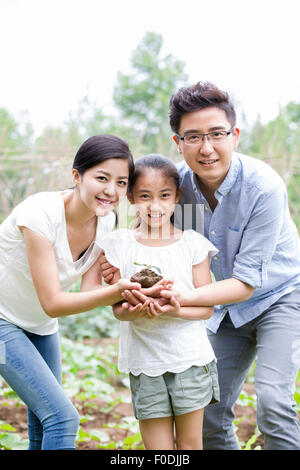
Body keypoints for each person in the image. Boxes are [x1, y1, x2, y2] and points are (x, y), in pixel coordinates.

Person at [101, 82, 300, 450]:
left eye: (217, 134)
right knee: (208, 408)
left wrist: (185, 295)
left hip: (278, 298)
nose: (206, 148)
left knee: (273, 403)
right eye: (193, 137)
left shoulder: (263, 188)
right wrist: (117, 267)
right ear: (178, 143)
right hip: (219, 305)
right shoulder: (176, 186)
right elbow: (151, 230)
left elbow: (246, 282)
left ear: (235, 136)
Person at [0, 134, 143, 450]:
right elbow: (53, 302)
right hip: (2, 322)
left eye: (122, 182)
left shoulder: (106, 223)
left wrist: (124, 289)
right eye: (102, 178)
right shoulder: (40, 214)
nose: (111, 190)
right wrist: (115, 292)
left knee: (43, 420)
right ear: (77, 176)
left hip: (39, 326)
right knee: (62, 419)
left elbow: (90, 291)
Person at [97, 154, 220, 450]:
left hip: (189, 359)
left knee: (190, 446)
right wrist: (134, 309)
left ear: (177, 196)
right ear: (130, 198)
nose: (154, 206)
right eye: (144, 196)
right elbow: (117, 310)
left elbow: (206, 307)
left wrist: (175, 307)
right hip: (144, 363)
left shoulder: (193, 244)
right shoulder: (119, 244)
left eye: (164, 196)